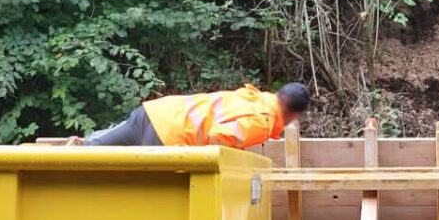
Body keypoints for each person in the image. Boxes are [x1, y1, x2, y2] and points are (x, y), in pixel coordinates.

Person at [80, 82, 310, 148]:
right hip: (168, 138)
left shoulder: (253, 97)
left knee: (89, 150)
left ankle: (81, 143)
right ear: (293, 114)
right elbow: (218, 136)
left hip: (154, 111)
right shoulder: (263, 122)